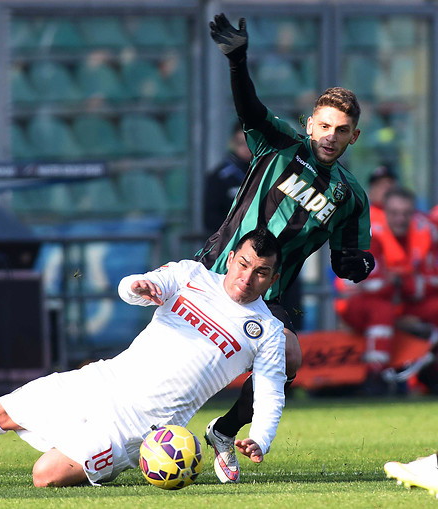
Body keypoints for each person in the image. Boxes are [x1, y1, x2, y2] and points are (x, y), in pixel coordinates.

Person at [0, 228, 287, 487]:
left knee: (46, 476)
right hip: (101, 381)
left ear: (273, 277)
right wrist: (137, 288)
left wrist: (261, 439)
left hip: (142, 426)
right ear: (232, 257)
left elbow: (269, 394)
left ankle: (121, 462)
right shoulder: (192, 276)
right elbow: (132, 286)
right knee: (0, 411)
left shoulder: (265, 330)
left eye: (261, 272)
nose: (247, 278)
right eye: (244, 264)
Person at [195, 13, 374, 483]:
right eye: (325, 126)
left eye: (342, 130)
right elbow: (250, 109)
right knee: (171, 378)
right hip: (214, 275)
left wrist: (359, 265)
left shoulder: (351, 197)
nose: (331, 137)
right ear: (309, 124)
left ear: (354, 137)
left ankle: (225, 430)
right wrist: (238, 60)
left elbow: (346, 261)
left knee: (290, 357)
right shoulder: (280, 144)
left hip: (268, 297)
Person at [335, 187, 438, 391]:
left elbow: (431, 280)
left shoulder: (425, 233)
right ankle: (376, 375)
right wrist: (403, 282)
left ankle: (429, 373)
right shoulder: (368, 231)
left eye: (406, 213)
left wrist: (399, 282)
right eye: (394, 213)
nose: (400, 219)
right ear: (385, 212)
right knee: (381, 309)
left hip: (402, 303)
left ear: (413, 213)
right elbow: (364, 284)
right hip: (359, 303)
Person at [204, 122, 252, 233]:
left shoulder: (265, 171)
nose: (245, 148)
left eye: (249, 143)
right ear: (232, 143)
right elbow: (211, 218)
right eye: (240, 143)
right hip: (230, 240)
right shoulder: (219, 177)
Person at [367, 164, 398, 231]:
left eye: (390, 183)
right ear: (370, 192)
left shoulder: (408, 216)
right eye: (380, 184)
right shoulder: (363, 217)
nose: (387, 188)